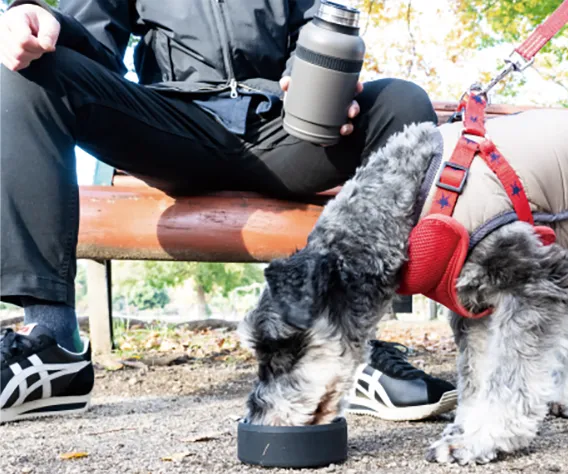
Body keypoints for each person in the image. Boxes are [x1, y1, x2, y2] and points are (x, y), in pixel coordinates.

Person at [0, 0, 455, 424]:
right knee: (27, 67)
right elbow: (94, 47)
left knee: (402, 103)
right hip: (172, 128)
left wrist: (320, 82)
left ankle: (350, 344)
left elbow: (317, 30)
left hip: (284, 131)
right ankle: (52, 345)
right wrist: (35, 18)